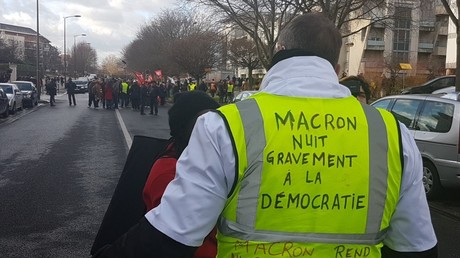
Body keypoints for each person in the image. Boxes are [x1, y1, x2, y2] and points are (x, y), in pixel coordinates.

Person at [93, 13, 438, 258]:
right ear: (335, 68)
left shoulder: (225, 126)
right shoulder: (392, 133)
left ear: (278, 55)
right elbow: (417, 248)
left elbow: (171, 237)